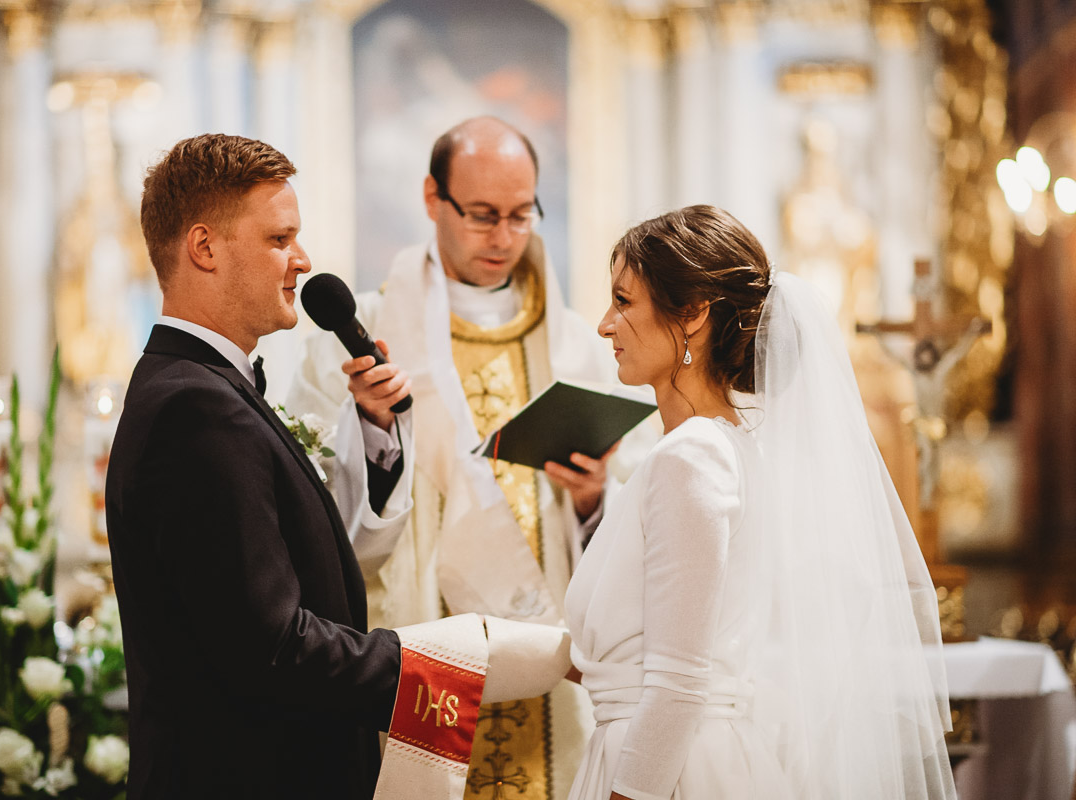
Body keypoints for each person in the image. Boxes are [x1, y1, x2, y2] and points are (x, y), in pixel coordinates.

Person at [288, 116, 648, 800]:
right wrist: (370, 428)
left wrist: (594, 497)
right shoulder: (354, 339)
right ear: (432, 198)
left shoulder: (576, 346)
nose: (504, 237)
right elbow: (316, 522)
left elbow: (636, 524)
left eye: (521, 214)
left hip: (553, 675)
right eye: (483, 215)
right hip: (428, 654)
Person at [565, 206, 956, 800]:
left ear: (692, 313)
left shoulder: (690, 459)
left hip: (665, 773)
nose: (604, 325)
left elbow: (676, 686)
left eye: (624, 301)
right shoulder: (728, 447)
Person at [105, 134, 413, 799]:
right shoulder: (194, 407)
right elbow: (271, 649)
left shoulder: (201, 386)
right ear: (205, 248)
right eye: (280, 239)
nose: (301, 260)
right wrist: (429, 669)